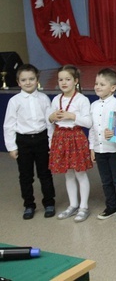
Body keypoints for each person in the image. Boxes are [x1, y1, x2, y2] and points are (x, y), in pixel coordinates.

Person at [3, 64, 55, 220]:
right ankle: (29, 205)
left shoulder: (44, 98)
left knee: (45, 173)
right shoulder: (14, 101)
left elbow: (49, 122)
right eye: (24, 80)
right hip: (23, 141)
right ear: (18, 82)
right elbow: (9, 124)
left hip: (41, 139)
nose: (28, 82)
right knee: (25, 175)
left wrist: (51, 143)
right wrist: (12, 147)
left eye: (31, 79)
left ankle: (49, 202)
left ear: (37, 80)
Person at [48, 65, 93, 222]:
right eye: (60, 79)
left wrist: (72, 116)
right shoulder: (56, 99)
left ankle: (84, 207)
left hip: (75, 137)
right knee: (68, 173)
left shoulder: (82, 99)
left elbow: (88, 122)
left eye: (67, 79)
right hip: (60, 137)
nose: (64, 82)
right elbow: (50, 122)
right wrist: (51, 117)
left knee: (80, 173)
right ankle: (73, 205)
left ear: (75, 81)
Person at [89, 68, 116, 222]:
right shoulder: (93, 105)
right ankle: (111, 206)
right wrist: (92, 147)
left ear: (112, 88)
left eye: (102, 84)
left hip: (114, 149)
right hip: (100, 149)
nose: (97, 87)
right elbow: (92, 128)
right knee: (105, 180)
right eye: (96, 84)